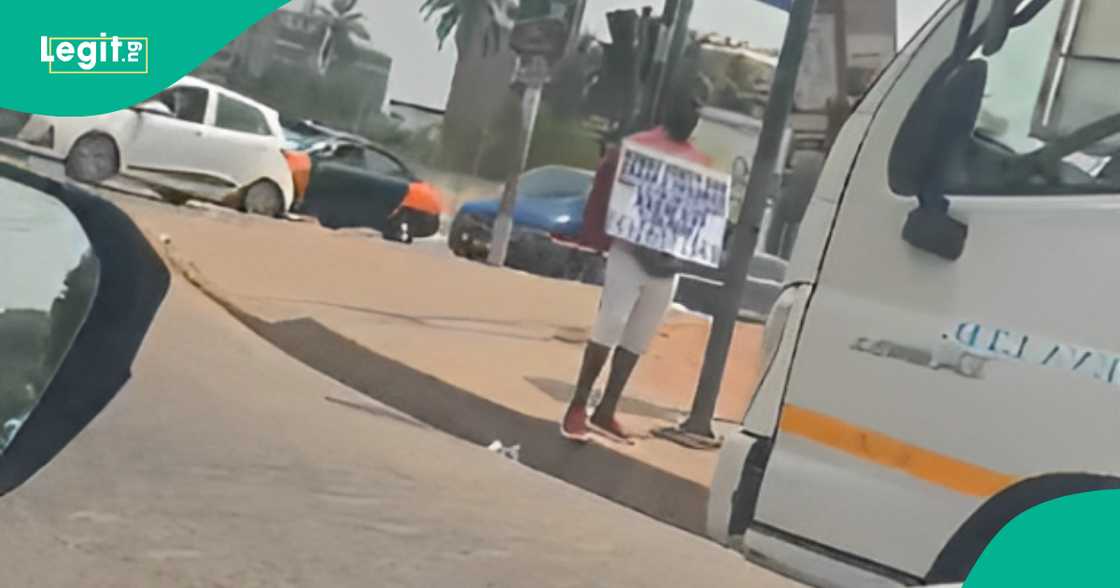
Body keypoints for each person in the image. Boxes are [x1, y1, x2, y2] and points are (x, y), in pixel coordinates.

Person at [562, 86, 713, 443]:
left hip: (667, 265)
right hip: (629, 254)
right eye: (687, 105)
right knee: (610, 324)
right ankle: (577, 406)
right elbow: (605, 191)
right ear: (669, 107)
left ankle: (606, 409)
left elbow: (700, 217)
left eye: (697, 108)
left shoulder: (700, 163)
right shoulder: (635, 147)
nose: (691, 114)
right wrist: (597, 238)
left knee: (639, 337)